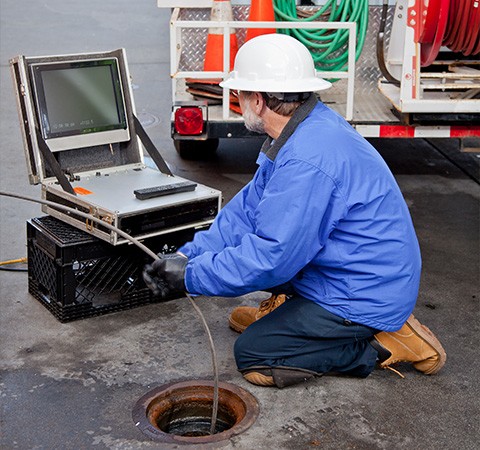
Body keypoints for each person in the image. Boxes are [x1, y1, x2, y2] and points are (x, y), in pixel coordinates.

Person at [143, 34, 446, 388]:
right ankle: (295, 316)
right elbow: (243, 215)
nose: (238, 103)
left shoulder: (307, 160)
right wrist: (186, 255)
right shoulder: (301, 130)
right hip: (350, 268)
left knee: (256, 355)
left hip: (364, 292)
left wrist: (190, 277)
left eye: (240, 95)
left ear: (257, 100)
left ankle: (383, 344)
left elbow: (272, 257)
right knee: (256, 251)